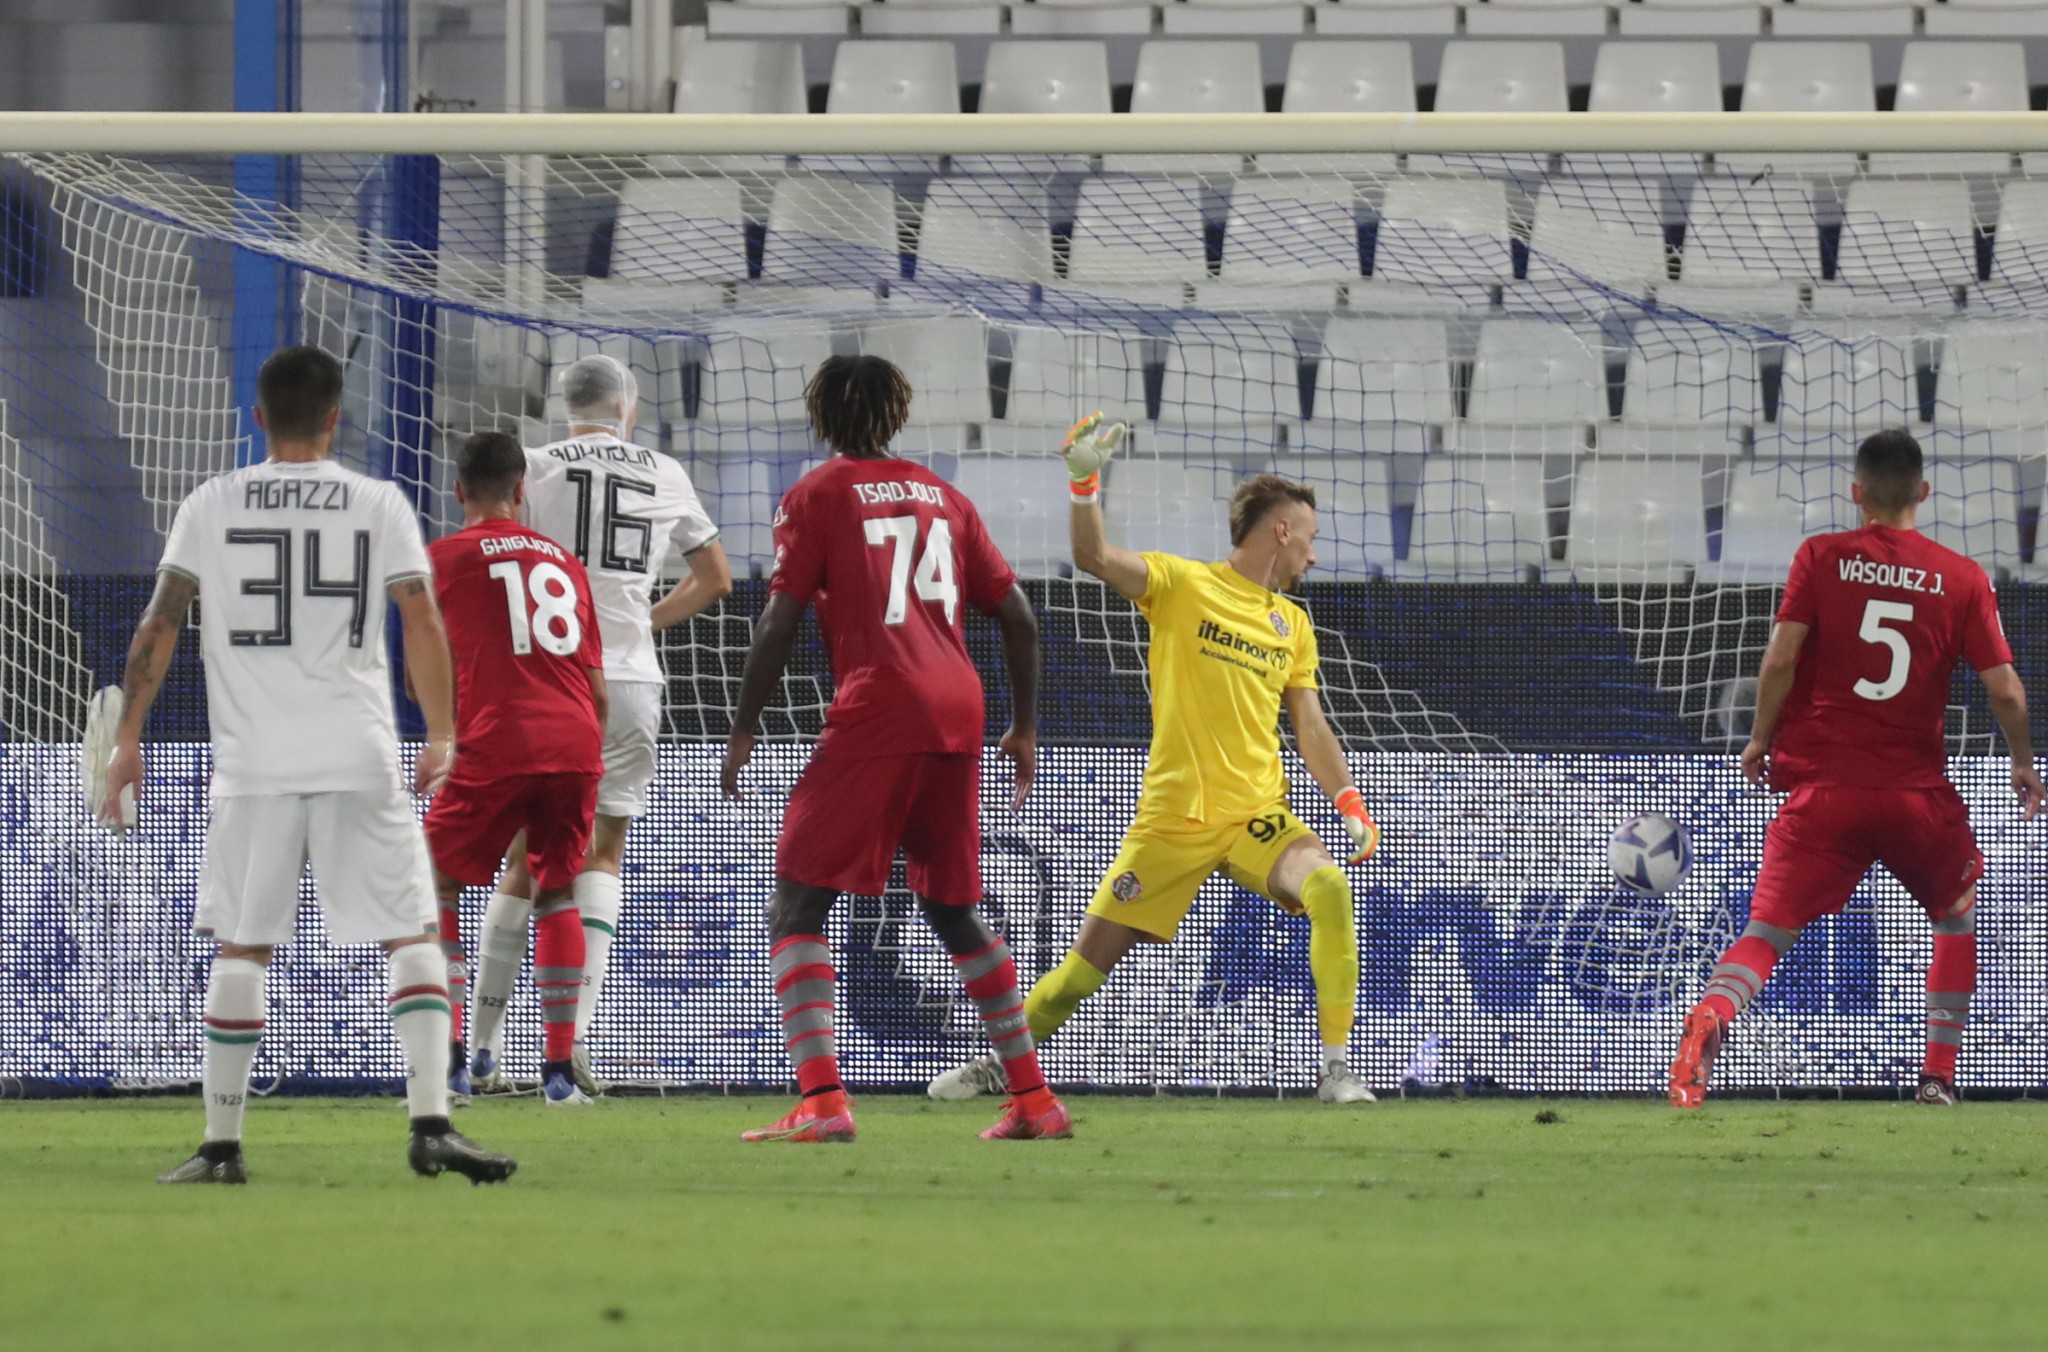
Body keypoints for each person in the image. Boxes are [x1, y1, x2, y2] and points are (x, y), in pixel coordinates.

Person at [101, 345, 515, 1184]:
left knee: (242, 946)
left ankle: (222, 1145)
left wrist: (127, 737)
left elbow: (160, 622)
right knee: (411, 932)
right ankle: (432, 1124)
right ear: (336, 417)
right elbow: (421, 620)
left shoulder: (210, 502)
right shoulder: (377, 500)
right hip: (356, 751)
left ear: (258, 417)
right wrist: (441, 733)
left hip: (253, 762)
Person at [928, 415, 1382, 1105]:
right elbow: (1093, 556)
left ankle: (1336, 1071)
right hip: (1171, 822)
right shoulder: (1181, 584)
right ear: (1282, 530)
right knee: (1080, 975)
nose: (1313, 557)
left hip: (1256, 816)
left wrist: (1348, 800)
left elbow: (1309, 723)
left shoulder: (1293, 624)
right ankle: (999, 1065)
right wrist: (1084, 484)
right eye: (1311, 539)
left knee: (1329, 889)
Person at [720, 354, 1065, 1143]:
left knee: (796, 903)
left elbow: (778, 620)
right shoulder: (946, 497)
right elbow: (1018, 616)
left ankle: (822, 1102)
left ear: (822, 416)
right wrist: (1025, 726)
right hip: (959, 707)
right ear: (897, 414)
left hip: (881, 702)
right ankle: (1035, 1100)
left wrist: (742, 728)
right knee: (951, 907)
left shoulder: (816, 494)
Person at [1671, 429, 2044, 1109]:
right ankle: (1937, 1078)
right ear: (1922, 491)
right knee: (1956, 916)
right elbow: (2007, 691)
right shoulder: (1962, 577)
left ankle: (1713, 1017)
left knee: (1765, 934)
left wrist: (1759, 739)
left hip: (1824, 791)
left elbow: (1780, 660)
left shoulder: (1820, 557)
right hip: (1914, 798)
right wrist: (2022, 760)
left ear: (1856, 493)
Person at [468, 354, 730, 1097]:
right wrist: (643, 622)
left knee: (525, 858)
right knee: (601, 854)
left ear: (564, 406)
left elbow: (493, 562)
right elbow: (716, 578)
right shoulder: (665, 472)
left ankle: (481, 1050)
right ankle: (569, 1051)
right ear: (627, 408)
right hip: (631, 678)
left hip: (548, 677)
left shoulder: (532, 466)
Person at [423, 432, 607, 1107]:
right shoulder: (566, 563)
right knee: (557, 891)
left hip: (496, 739)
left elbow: (426, 671)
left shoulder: (440, 560)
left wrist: (444, 732)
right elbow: (598, 688)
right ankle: (558, 1077)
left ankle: (448, 1066)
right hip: (575, 741)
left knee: (432, 883)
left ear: (458, 492)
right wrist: (580, 753)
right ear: (521, 491)